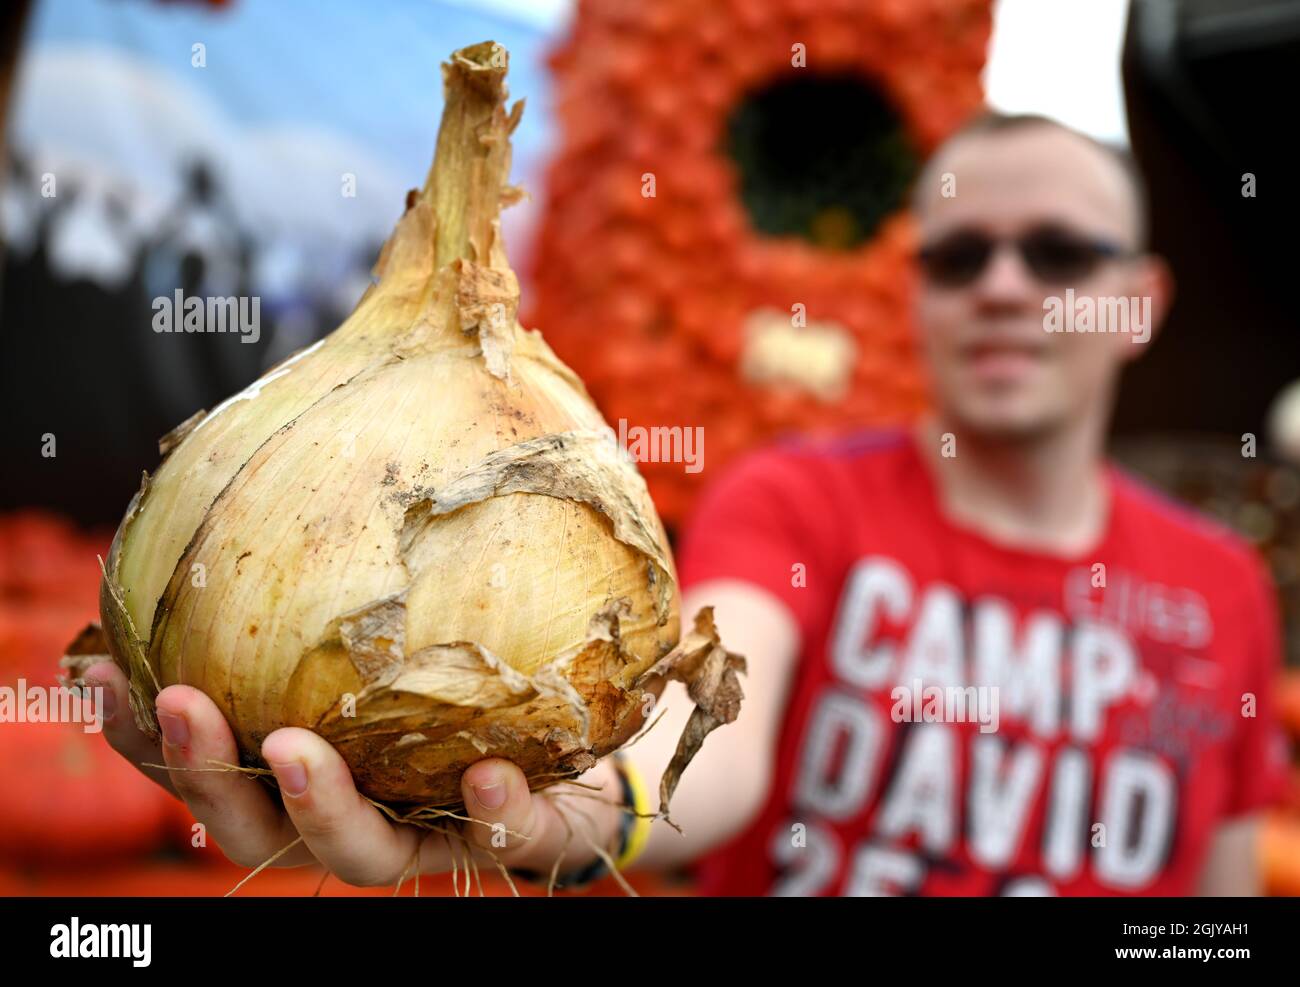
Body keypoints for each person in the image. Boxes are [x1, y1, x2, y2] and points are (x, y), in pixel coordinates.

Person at [85, 112, 1290, 895]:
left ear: (1134, 301)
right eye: (956, 256)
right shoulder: (802, 504)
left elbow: (1226, 893)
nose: (1004, 287)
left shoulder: (1219, 588)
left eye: (1058, 256)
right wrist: (570, 812)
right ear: (915, 297)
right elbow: (701, 738)